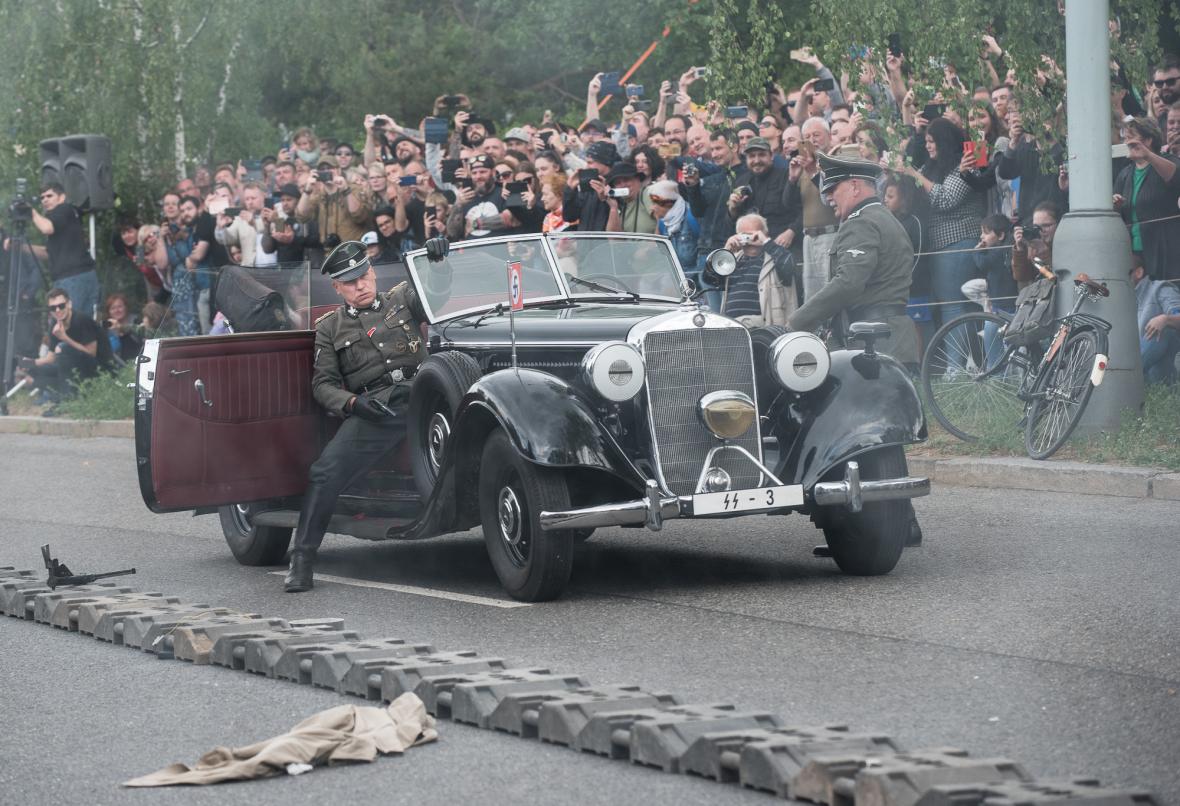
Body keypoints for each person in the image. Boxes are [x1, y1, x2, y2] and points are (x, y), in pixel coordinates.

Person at [284, 241, 442, 593]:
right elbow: (323, 386)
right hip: (377, 409)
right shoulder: (330, 327)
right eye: (350, 282)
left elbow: (437, 296)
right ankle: (302, 558)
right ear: (337, 288)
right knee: (324, 472)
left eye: (364, 276)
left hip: (425, 395)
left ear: (372, 273)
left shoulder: (402, 298)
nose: (360, 285)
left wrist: (437, 261)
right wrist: (354, 404)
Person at [788, 153, 918, 369]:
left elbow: (847, 283)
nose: (828, 197)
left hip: (873, 346)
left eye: (833, 189)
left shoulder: (861, 223)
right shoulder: (884, 218)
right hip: (892, 341)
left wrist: (796, 322)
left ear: (855, 186)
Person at [3, 183, 100, 319]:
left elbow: (47, 228)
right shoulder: (60, 219)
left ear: (62, 197)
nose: (45, 200)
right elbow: (48, 253)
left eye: (49, 196)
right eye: (42, 198)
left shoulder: (64, 209)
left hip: (73, 277)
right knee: (76, 326)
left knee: (68, 324)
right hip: (73, 277)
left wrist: (31, 211)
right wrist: (20, 246)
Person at [1113, 116, 1180, 282]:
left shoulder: (1167, 160)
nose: (1127, 141)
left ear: (1149, 139)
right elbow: (1118, 214)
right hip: (1135, 252)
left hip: (1165, 249)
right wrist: (1116, 204)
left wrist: (1148, 155)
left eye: (1131, 137)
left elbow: (1175, 176)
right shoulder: (1125, 173)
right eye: (1125, 138)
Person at [18, 287, 111, 402]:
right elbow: (51, 358)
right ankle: (59, 395)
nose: (57, 310)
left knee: (64, 348)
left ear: (69, 304)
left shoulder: (81, 319)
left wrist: (64, 338)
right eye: (53, 308)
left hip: (99, 369)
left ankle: (65, 400)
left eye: (61, 306)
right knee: (35, 370)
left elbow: (91, 353)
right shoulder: (54, 324)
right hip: (73, 368)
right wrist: (30, 363)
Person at [719, 213, 796, 326]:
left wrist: (766, 242)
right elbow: (709, 278)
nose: (751, 238)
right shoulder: (731, 260)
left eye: (755, 234)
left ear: (765, 234)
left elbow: (788, 265)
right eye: (745, 235)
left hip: (764, 325)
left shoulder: (775, 257)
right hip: (732, 325)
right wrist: (726, 251)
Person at [1131, 255, 1180, 384]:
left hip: (1165, 367)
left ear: (1139, 272)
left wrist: (1165, 319)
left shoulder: (1160, 289)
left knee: (1161, 331)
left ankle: (1124, 380)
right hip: (1146, 371)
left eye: (1123, 272)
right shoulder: (1123, 300)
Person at [103, 292, 143, 363]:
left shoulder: (137, 322)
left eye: (120, 307)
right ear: (109, 312)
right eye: (113, 308)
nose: (117, 310)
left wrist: (122, 330)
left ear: (126, 307)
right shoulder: (106, 330)